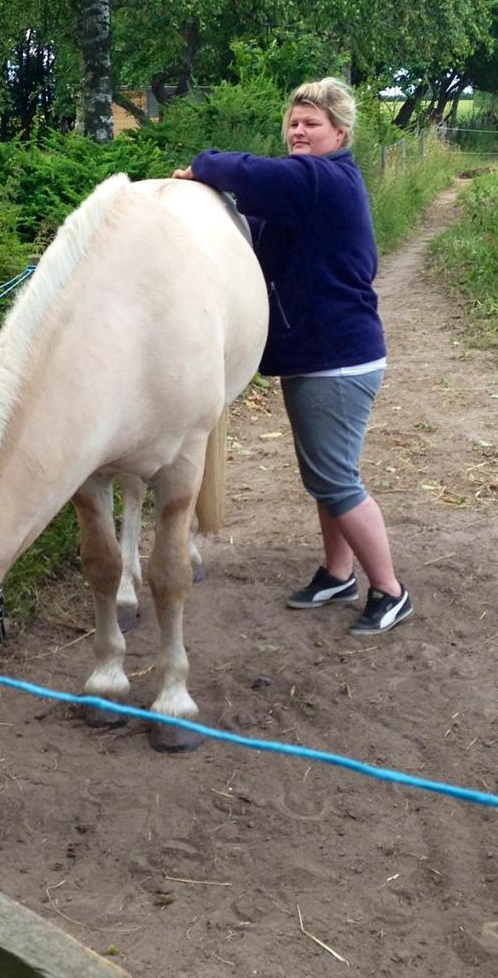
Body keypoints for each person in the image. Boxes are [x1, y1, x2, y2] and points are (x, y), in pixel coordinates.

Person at [171, 77, 412, 635]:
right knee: (326, 475)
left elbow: (249, 173)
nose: (299, 131)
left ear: (340, 132)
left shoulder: (324, 179)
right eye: (294, 123)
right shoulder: (311, 191)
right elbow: (258, 232)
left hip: (337, 360)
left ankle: (391, 590)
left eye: (312, 124)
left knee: (336, 481)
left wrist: (202, 166)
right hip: (319, 354)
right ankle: (337, 572)